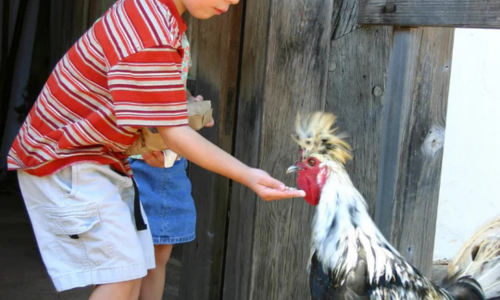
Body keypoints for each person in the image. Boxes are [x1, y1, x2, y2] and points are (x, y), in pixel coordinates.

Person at [6, 0, 305, 300]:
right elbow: (175, 134)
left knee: (133, 270)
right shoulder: (149, 28)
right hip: (65, 158)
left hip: (96, 158)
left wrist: (165, 123)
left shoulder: (156, 17)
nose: (234, 1)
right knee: (122, 275)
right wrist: (247, 175)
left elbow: (140, 102)